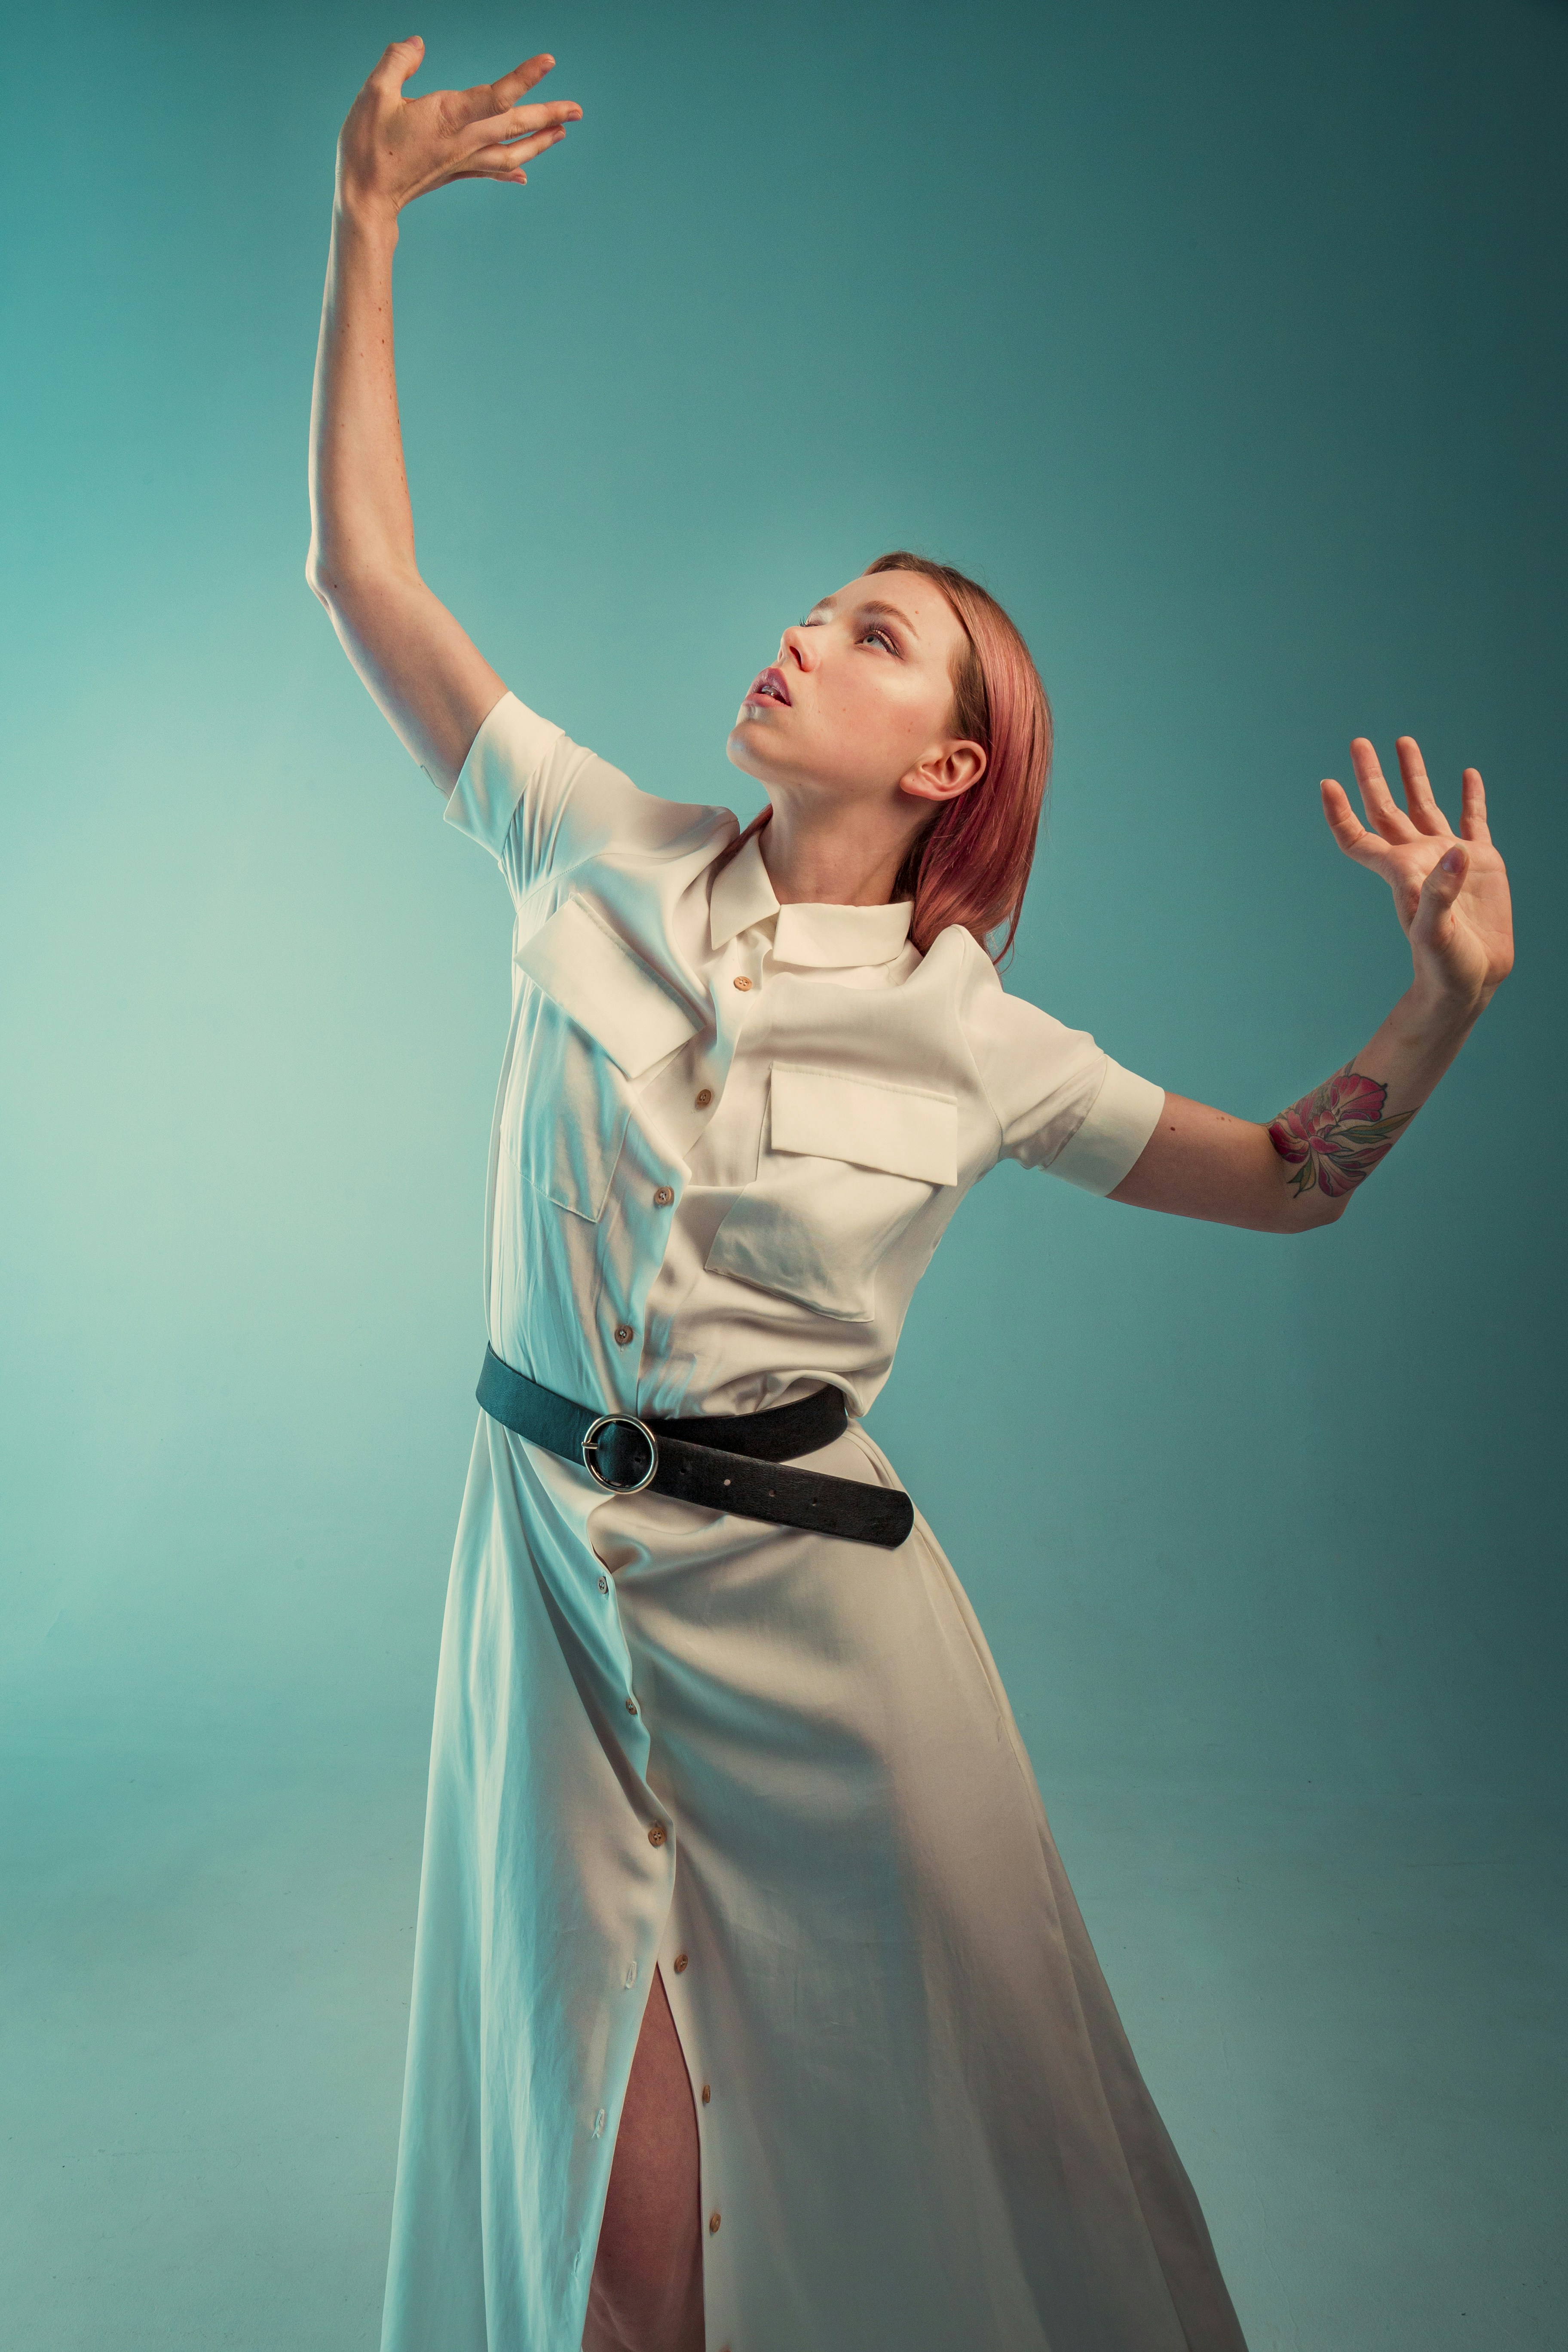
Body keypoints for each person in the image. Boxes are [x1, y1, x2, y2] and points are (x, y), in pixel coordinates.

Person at [306, 40, 1515, 2352]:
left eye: (875, 635)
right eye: (820, 603)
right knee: (609, 2245)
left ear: (948, 763)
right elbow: (365, 567)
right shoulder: (591, 839)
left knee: (969, 2172)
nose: (806, 635)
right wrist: (364, 224)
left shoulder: (978, 1038)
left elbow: (1286, 1185)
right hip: (555, 1604)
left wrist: (1445, 1004)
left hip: (831, 1650)